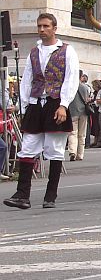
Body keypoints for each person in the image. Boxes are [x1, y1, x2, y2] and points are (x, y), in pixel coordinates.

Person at [4, 13, 79, 209]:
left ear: (54, 28)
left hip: (55, 103)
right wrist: (25, 106)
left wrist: (64, 104)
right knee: (27, 147)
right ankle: (22, 195)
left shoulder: (67, 51)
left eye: (46, 26)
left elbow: (71, 79)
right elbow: (27, 80)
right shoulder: (34, 52)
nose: (42, 29)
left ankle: (50, 195)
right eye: (39, 26)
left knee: (54, 150)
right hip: (36, 104)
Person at [67, 71, 92, 161]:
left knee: (73, 133)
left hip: (73, 111)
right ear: (81, 76)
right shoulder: (85, 87)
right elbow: (87, 99)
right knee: (82, 134)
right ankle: (80, 154)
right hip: (83, 112)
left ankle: (72, 151)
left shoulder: (69, 87)